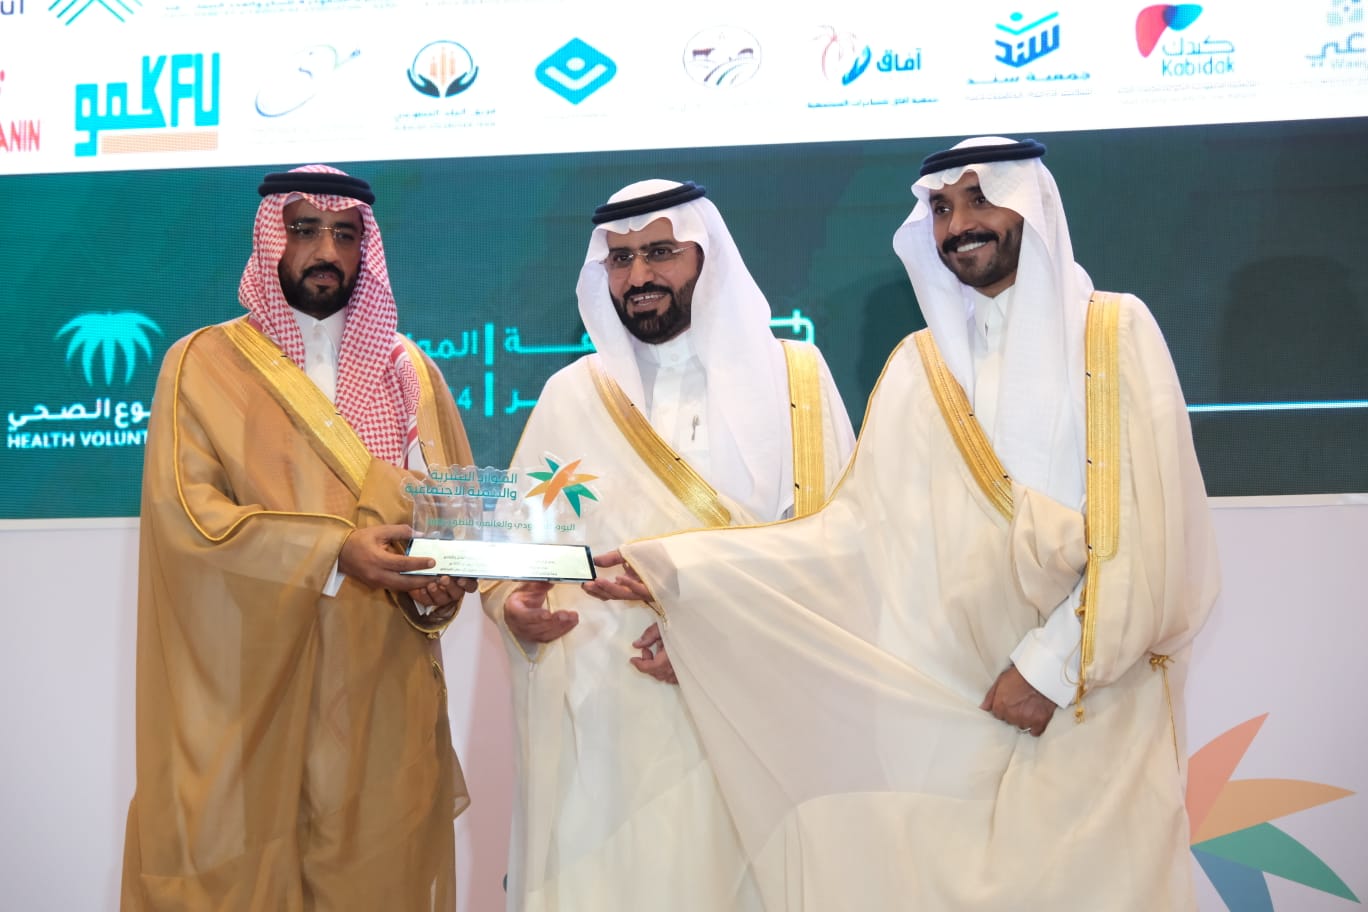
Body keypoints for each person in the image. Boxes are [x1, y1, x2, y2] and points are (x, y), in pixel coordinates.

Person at [603, 139, 1221, 910]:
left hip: (1090, 702)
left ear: (1030, 205)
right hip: (949, 716)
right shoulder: (917, 368)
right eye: (941, 208)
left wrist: (1050, 669)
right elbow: (852, 539)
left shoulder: (1114, 333)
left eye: (979, 199)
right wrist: (685, 578)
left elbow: (1152, 531)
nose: (959, 225)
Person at [480, 179, 856, 911]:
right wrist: (512, 606)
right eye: (620, 259)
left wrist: (710, 629)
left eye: (660, 252)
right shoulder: (572, 395)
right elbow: (517, 546)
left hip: (747, 707)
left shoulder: (795, 382)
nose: (639, 276)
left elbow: (835, 550)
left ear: (704, 257)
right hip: (605, 731)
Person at [121, 165, 476, 911]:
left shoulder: (411, 373)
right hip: (252, 689)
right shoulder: (201, 363)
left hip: (379, 693)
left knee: (376, 883)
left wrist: (442, 584)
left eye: (345, 235)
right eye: (304, 229)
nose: (326, 251)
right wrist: (333, 551)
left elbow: (452, 517)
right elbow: (188, 516)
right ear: (269, 240)